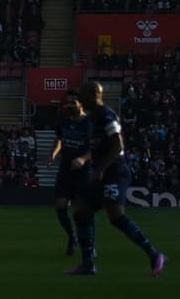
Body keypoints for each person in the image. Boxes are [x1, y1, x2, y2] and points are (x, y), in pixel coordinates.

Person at [67, 81, 166, 277]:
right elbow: (97, 147)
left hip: (115, 171)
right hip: (102, 172)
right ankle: (88, 265)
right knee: (81, 213)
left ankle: (154, 254)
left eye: (83, 95)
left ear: (95, 94)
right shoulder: (93, 118)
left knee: (116, 216)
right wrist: (87, 160)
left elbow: (118, 145)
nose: (80, 99)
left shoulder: (106, 115)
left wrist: (102, 168)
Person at [50, 91, 89, 256]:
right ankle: (72, 237)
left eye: (72, 103)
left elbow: (95, 147)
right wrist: (54, 152)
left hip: (83, 171)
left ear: (81, 103)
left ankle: (88, 244)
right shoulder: (63, 119)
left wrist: (83, 159)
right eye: (67, 103)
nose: (69, 106)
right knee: (60, 206)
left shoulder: (89, 122)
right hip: (66, 168)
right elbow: (59, 138)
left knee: (82, 210)